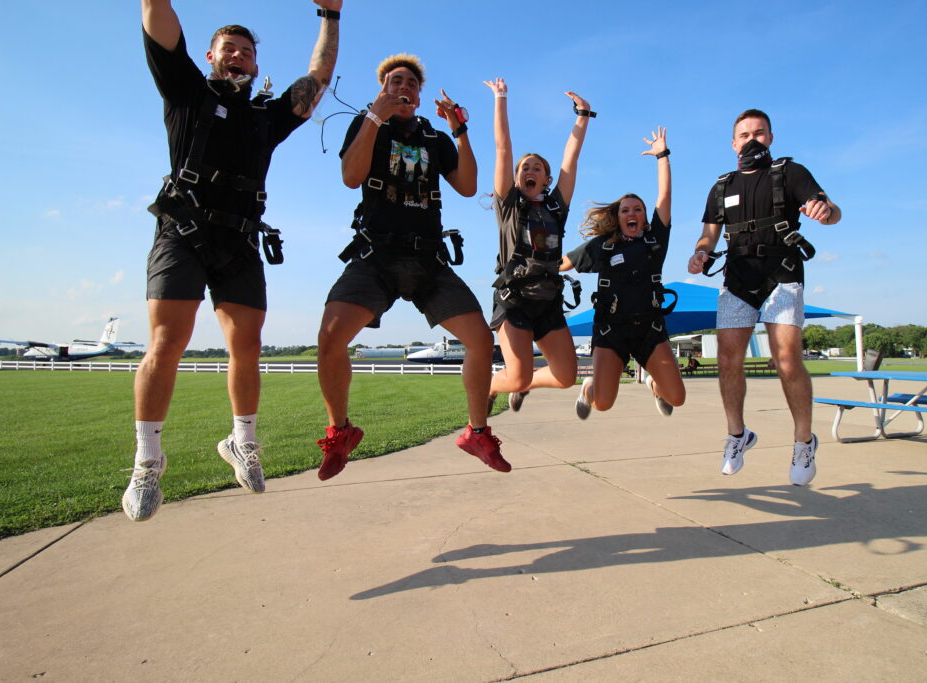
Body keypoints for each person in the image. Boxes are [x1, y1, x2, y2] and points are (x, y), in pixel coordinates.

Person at [123, 0, 343, 522]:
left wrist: (330, 15)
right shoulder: (186, 90)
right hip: (184, 230)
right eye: (230, 49)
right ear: (211, 56)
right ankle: (147, 459)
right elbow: (156, 16)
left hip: (240, 240)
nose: (239, 57)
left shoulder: (266, 116)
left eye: (247, 52)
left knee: (247, 344)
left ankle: (242, 440)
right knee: (165, 342)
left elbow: (318, 77)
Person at [316, 54, 509, 479]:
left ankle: (477, 432)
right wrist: (372, 117)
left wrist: (459, 130)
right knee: (330, 339)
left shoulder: (435, 139)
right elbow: (351, 177)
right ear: (382, 89)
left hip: (428, 259)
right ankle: (340, 432)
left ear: (419, 96)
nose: (403, 87)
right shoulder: (368, 124)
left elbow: (468, 186)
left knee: (480, 339)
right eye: (394, 81)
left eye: (410, 83)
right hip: (377, 255)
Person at [687, 109, 841, 486]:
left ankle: (804, 441)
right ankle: (738, 435)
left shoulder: (790, 173)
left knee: (787, 359)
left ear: (770, 137)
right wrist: (700, 252)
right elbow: (708, 233)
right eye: (744, 134)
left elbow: (832, 211)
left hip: (782, 274)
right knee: (726, 359)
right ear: (733, 142)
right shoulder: (722, 185)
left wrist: (826, 211)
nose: (751, 139)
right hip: (738, 277)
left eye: (759, 133)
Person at [482, 77, 593, 414]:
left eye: (537, 168)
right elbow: (503, 147)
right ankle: (490, 385)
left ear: (546, 178)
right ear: (516, 178)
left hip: (548, 299)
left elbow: (569, 162)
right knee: (515, 377)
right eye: (524, 168)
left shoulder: (556, 207)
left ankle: (522, 382)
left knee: (565, 378)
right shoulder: (509, 205)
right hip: (514, 299)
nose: (530, 170)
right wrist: (501, 97)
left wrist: (582, 116)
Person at [562, 127, 686, 419]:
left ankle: (656, 384)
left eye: (638, 210)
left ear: (645, 217)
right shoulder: (601, 246)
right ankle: (589, 388)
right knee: (603, 404)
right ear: (617, 218)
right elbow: (562, 263)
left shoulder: (656, 240)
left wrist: (662, 156)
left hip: (650, 329)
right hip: (611, 330)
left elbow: (665, 195)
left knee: (677, 398)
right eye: (626, 210)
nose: (632, 214)